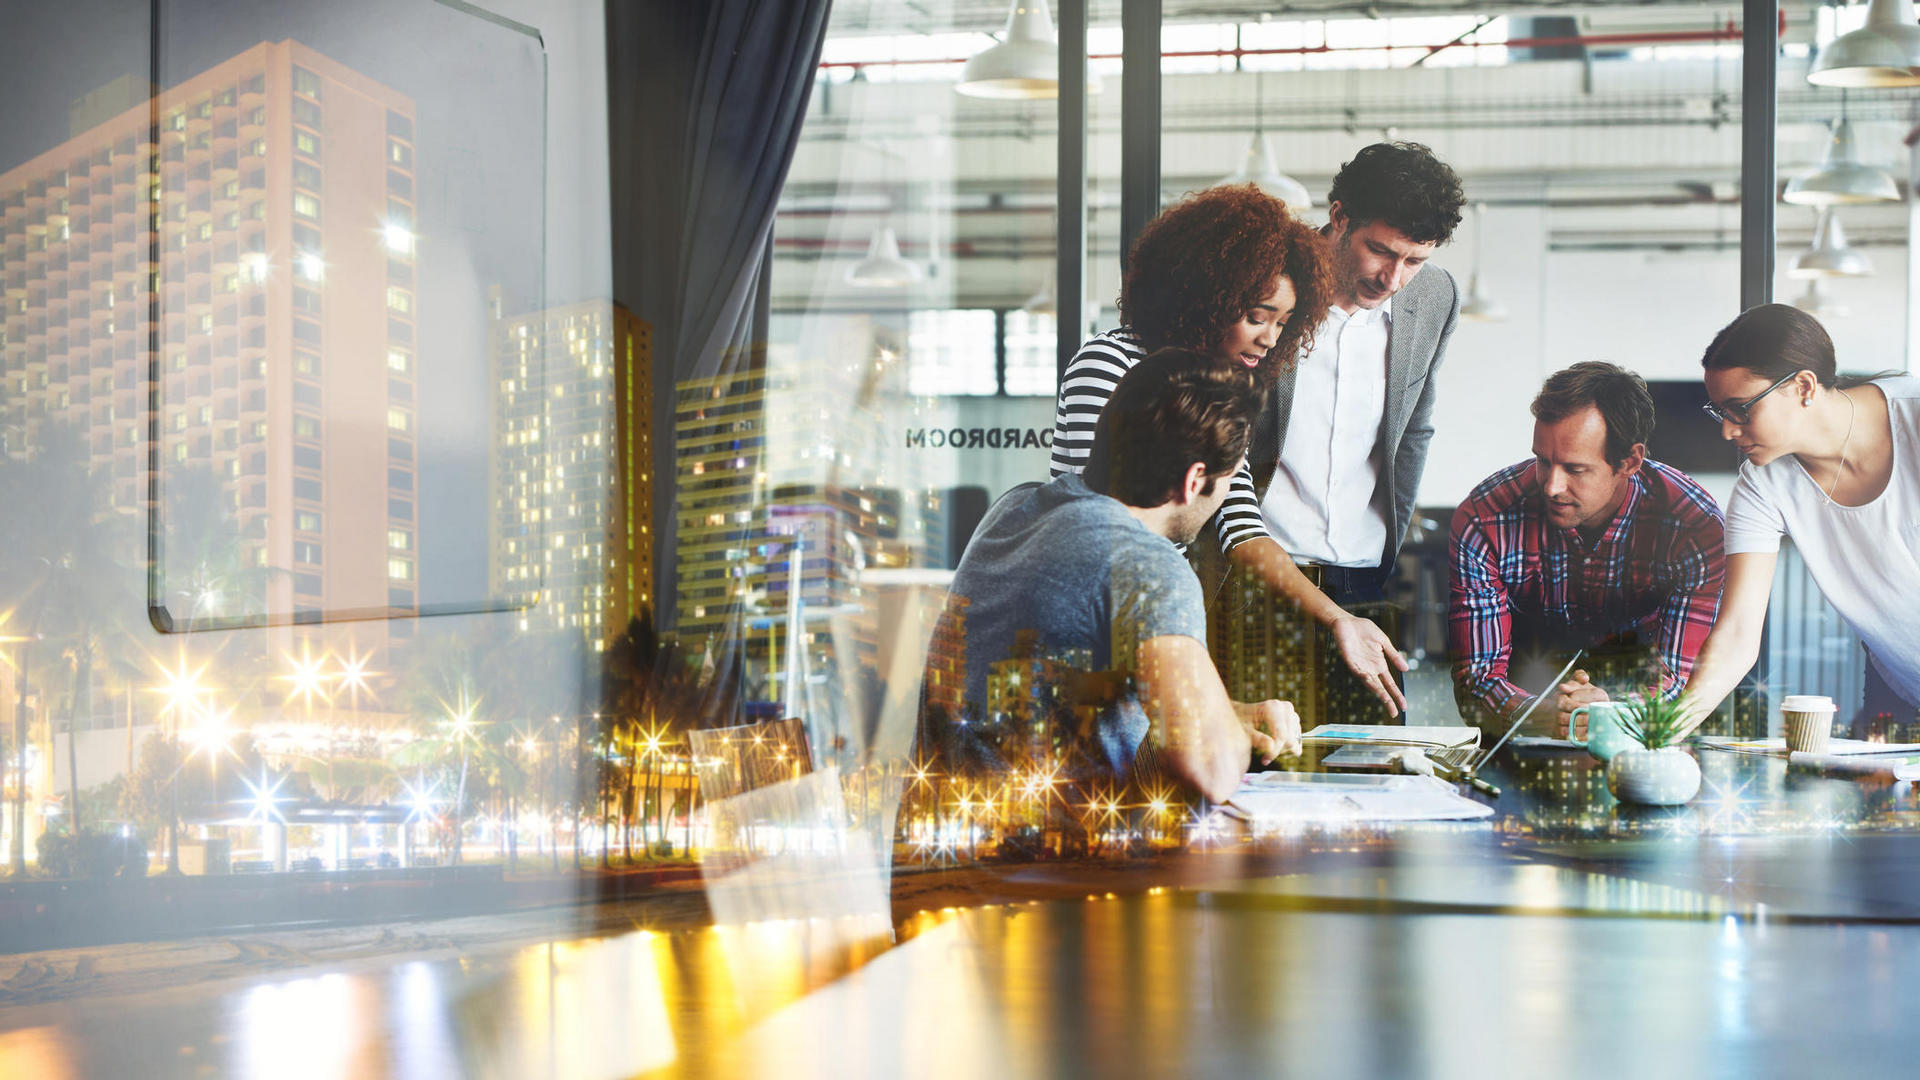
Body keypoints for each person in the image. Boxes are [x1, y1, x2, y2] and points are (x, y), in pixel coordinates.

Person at [932, 350, 1302, 803]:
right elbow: (1209, 770)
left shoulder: (1016, 510)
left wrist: (1225, 715)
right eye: (1231, 477)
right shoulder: (1146, 562)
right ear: (1194, 480)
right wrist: (1222, 735)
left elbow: (1063, 694)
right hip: (1049, 864)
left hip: (945, 846)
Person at [1677, 304, 1920, 733]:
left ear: (1804, 386)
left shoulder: (1913, 419)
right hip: (1901, 691)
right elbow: (1736, 635)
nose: (1728, 431)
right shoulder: (1762, 485)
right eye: (1720, 413)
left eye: (1740, 409)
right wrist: (1664, 730)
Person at [1449, 362, 1726, 736]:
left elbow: (1679, 678)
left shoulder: (1694, 526)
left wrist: (1614, 714)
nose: (1551, 486)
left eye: (1575, 469)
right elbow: (1476, 681)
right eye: (1543, 462)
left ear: (1629, 462)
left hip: (1641, 675)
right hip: (1528, 681)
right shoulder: (1484, 517)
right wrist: (1548, 716)